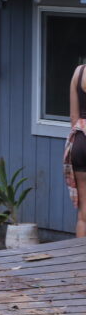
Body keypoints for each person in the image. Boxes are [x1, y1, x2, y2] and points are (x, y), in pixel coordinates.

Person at [63, 64, 86, 237]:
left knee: (83, 213)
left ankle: (80, 261)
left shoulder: (79, 72)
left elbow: (73, 117)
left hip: (80, 141)